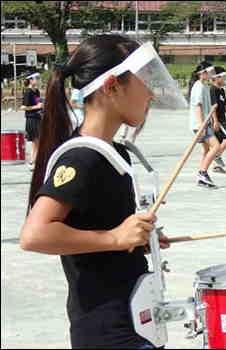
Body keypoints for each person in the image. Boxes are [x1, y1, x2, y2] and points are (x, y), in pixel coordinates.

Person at [19, 35, 182, 349]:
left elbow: (101, 229)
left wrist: (137, 240)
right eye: (142, 81)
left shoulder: (115, 151)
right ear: (112, 85)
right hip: (107, 329)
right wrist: (115, 238)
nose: (150, 93)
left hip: (133, 318)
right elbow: (35, 235)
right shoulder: (82, 156)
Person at [188, 61, 221, 188]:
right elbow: (198, 107)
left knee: (207, 149)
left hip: (204, 123)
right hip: (200, 124)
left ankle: (202, 175)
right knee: (216, 147)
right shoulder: (198, 87)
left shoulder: (204, 86)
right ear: (202, 73)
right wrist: (202, 125)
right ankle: (202, 172)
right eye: (209, 72)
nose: (211, 74)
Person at [209, 66, 226, 174]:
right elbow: (213, 106)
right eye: (223, 77)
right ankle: (217, 156)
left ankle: (215, 166)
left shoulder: (221, 90)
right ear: (217, 77)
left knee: (218, 144)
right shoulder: (213, 90)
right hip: (218, 121)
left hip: (223, 120)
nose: (224, 79)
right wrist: (215, 121)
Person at [20, 72, 43, 169]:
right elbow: (23, 107)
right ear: (30, 80)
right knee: (35, 141)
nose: (37, 80)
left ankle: (35, 161)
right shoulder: (28, 92)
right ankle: (32, 161)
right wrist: (36, 107)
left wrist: (41, 107)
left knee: (38, 141)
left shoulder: (36, 91)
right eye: (35, 78)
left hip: (38, 118)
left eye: (38, 78)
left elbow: (38, 103)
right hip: (31, 119)